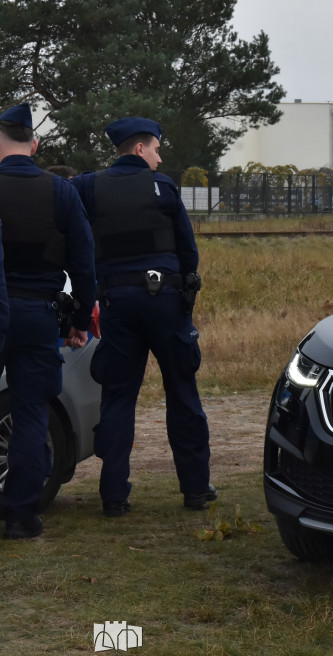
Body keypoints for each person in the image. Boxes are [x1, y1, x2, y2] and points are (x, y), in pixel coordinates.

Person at [71, 116, 215, 517]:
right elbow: (188, 251)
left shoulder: (88, 186)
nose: (160, 155)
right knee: (182, 393)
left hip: (117, 302)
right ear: (140, 149)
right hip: (166, 301)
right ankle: (196, 489)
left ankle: (113, 496)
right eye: (156, 148)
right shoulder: (164, 186)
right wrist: (185, 299)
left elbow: (75, 235)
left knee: (118, 397)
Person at [0, 102, 96, 539]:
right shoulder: (60, 191)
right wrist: (78, 319)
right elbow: (83, 261)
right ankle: (20, 514)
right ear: (34, 144)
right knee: (31, 414)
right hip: (39, 315)